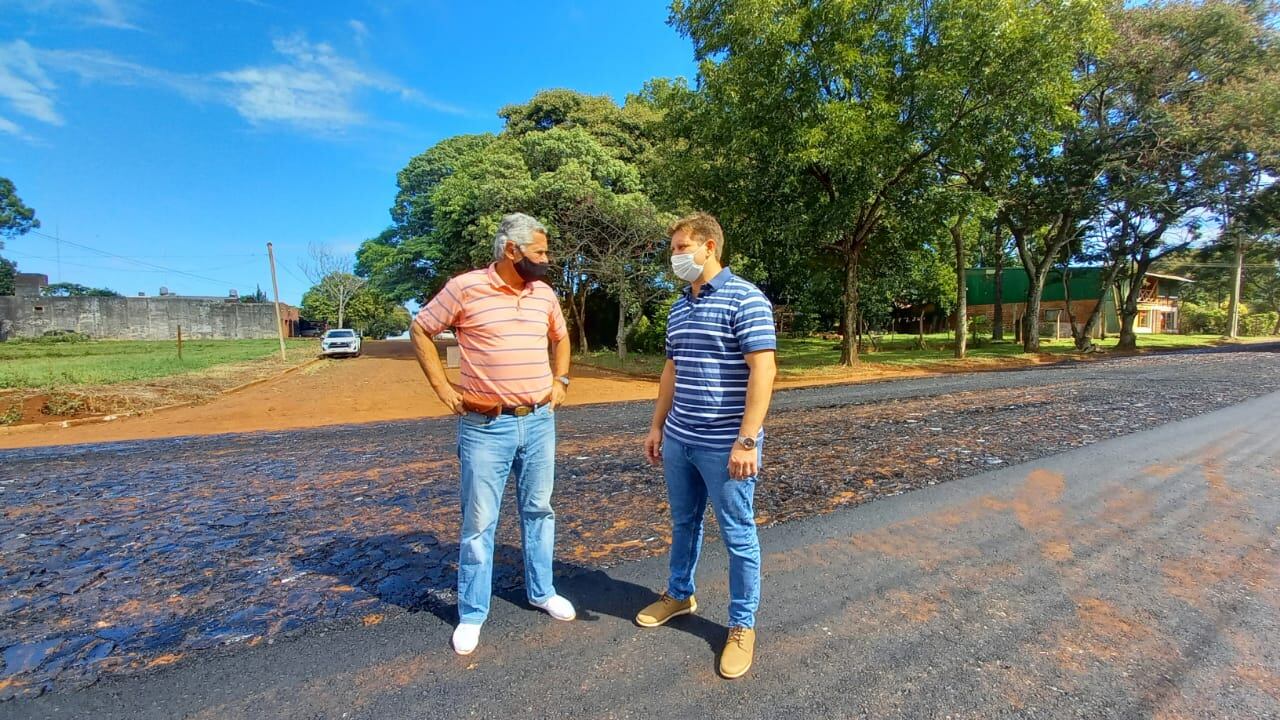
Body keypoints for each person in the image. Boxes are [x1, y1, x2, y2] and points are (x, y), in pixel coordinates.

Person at [410, 212, 575, 656]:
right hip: (485, 427)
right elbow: (421, 328)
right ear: (511, 250)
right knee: (479, 522)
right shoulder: (465, 288)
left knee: (539, 509)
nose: (546, 259)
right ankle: (472, 613)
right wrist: (444, 388)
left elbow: (561, 338)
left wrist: (561, 382)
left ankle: (542, 592)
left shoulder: (543, 293)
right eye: (539, 251)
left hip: (540, 421)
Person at [636, 212, 777, 679]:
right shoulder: (680, 305)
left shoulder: (746, 299)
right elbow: (671, 370)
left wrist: (747, 440)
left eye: (681, 248)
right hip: (680, 438)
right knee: (684, 521)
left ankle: (741, 626)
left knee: (738, 534)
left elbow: (764, 370)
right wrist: (657, 427)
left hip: (726, 446)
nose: (674, 257)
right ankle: (680, 594)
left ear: (709, 247)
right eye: (673, 249)